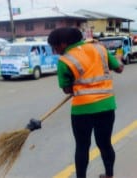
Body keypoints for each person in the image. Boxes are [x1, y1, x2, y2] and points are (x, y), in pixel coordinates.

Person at [47, 27, 123, 178]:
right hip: (106, 106)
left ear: (63, 43)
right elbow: (119, 69)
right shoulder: (100, 48)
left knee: (82, 147)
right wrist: (119, 60)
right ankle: (109, 175)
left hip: (82, 110)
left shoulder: (65, 60)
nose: (55, 51)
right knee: (105, 144)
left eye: (54, 46)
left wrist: (77, 83)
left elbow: (68, 90)